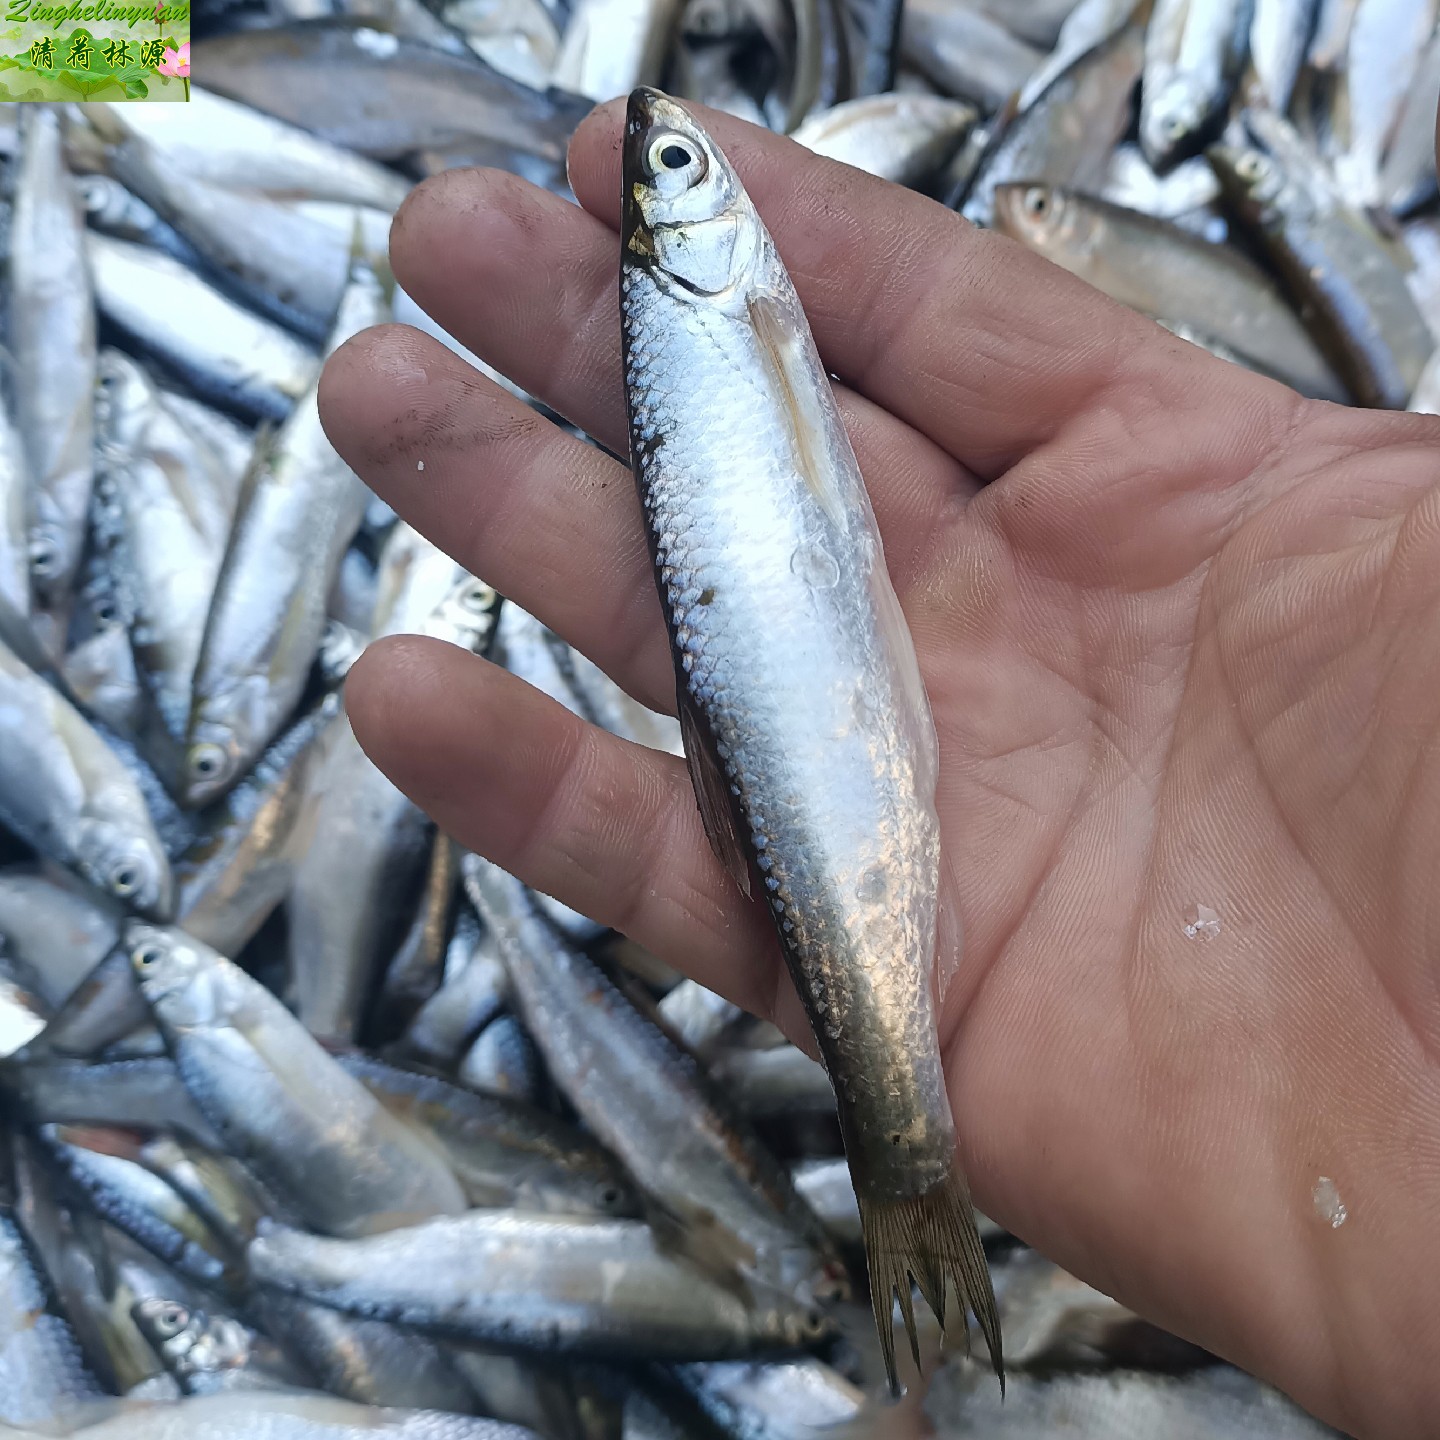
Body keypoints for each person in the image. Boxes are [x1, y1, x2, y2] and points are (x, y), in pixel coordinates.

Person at [318, 96, 1440, 1440]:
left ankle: (905, 1166)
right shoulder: (706, 297)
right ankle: (906, 1162)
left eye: (673, 168)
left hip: (822, 737)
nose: (691, 171)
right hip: (820, 739)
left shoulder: (718, 296)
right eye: (686, 170)